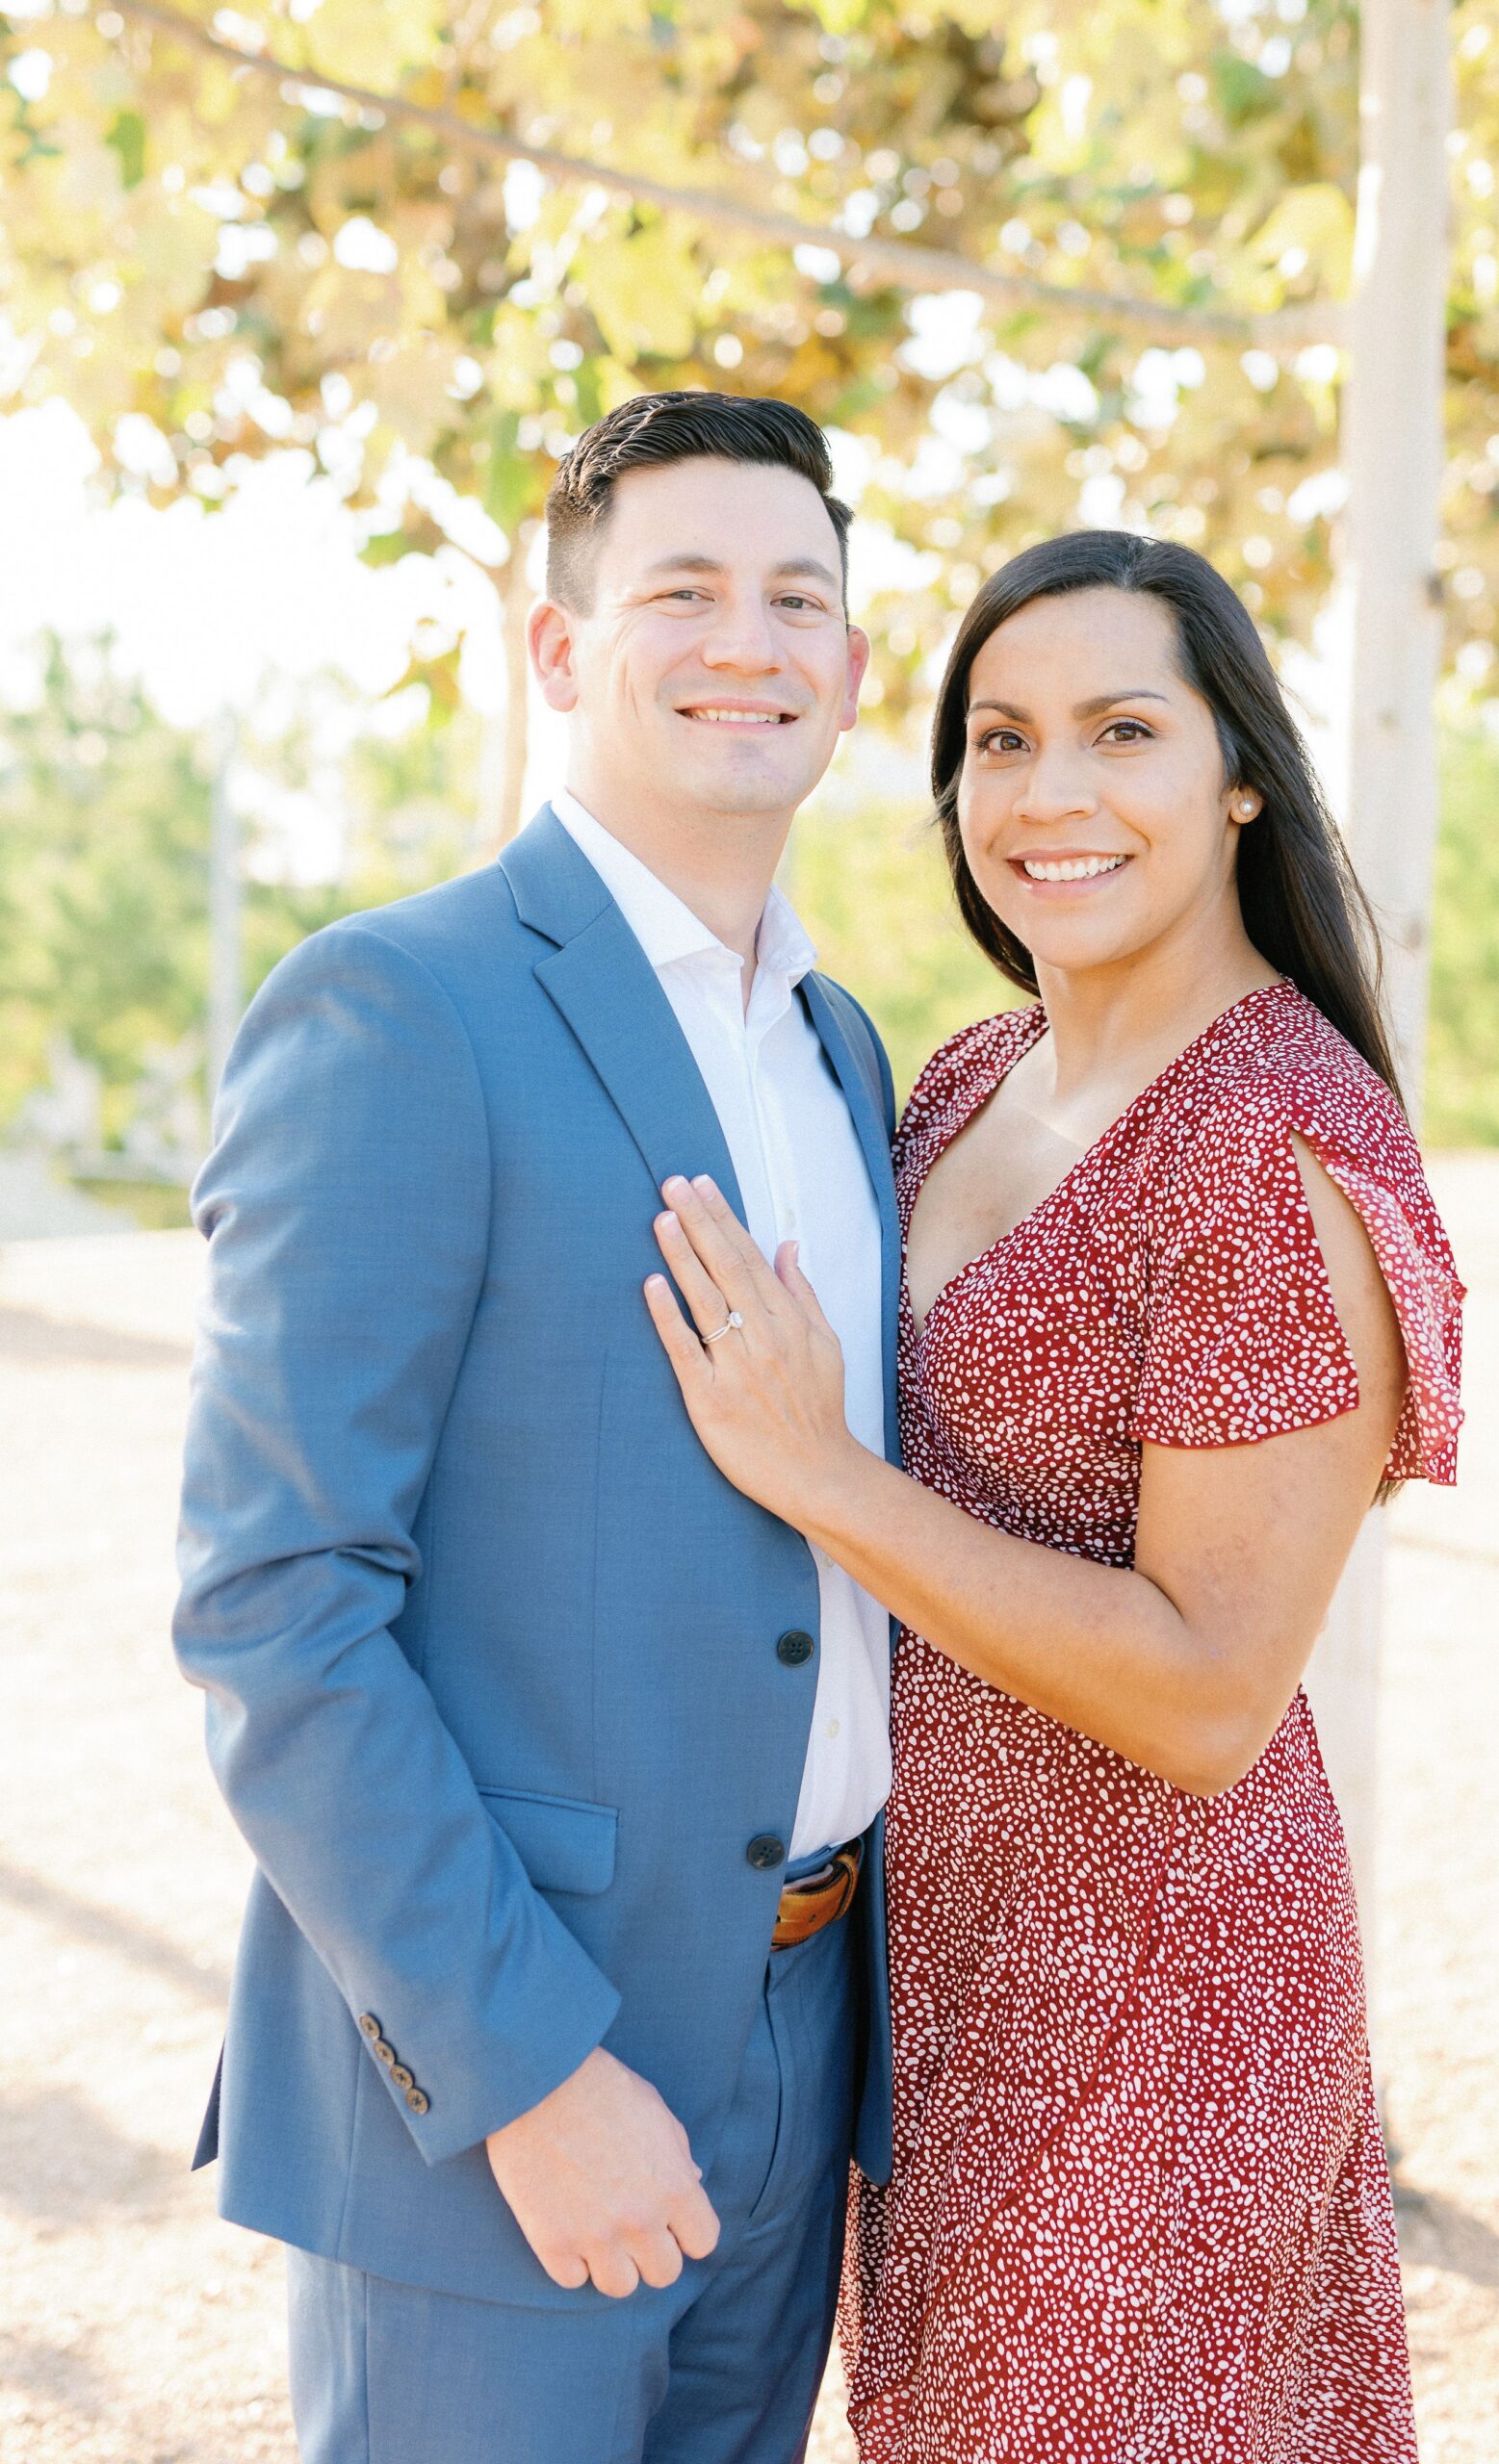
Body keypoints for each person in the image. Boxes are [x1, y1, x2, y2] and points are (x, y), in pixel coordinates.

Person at [642, 529, 1463, 2460]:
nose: (1050, 792)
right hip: (939, 1994)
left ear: (1238, 769)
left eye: (1122, 729)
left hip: (1164, 2023)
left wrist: (825, 1476)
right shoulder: (967, 1079)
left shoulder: (1268, 1141)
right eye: (1000, 741)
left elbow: (1206, 1692)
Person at [172, 391, 903, 2464]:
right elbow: (273, 1602)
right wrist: (525, 2069)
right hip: (498, 2072)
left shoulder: (845, 1045)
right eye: (683, 589)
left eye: (797, 598)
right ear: (563, 649)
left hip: (803, 2029)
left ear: (854, 675)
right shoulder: (402, 1006)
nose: (745, 640)